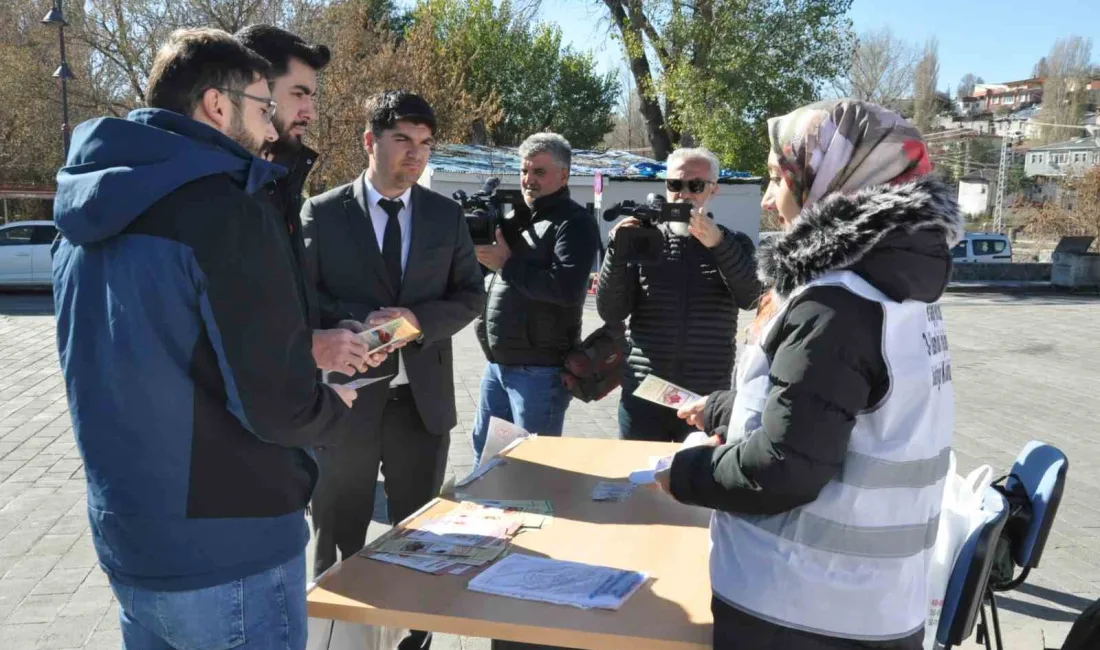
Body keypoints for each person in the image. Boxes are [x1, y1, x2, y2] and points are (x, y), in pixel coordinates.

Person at [52, 28, 377, 650]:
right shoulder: (225, 209)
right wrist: (330, 408)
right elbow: (274, 399)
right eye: (263, 108)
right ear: (216, 106)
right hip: (233, 547)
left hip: (130, 538)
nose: (270, 130)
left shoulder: (81, 214)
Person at [661, 99, 961, 649]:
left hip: (798, 607)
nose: (772, 200)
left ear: (835, 180)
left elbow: (783, 468)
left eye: (779, 178)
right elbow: (838, 414)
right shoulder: (901, 292)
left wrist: (683, 473)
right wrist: (726, 409)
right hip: (875, 605)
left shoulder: (836, 303)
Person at [301, 91, 483, 626]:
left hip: (421, 405)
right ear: (369, 141)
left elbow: (470, 295)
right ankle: (335, 633)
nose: (415, 154)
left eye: (425, 144)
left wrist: (417, 321)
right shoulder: (324, 211)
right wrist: (355, 321)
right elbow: (304, 297)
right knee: (338, 533)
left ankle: (413, 635)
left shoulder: (444, 216)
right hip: (347, 398)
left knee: (421, 539)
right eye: (402, 140)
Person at [235, 24, 371, 378]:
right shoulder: (221, 192)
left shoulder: (279, 183)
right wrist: (310, 347)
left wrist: (335, 328)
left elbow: (279, 299)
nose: (310, 111)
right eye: (299, 94)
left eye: (312, 97)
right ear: (255, 88)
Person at [597, 147, 759, 442]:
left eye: (695, 186)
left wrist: (719, 245)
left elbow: (750, 297)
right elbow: (611, 312)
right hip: (645, 393)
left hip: (704, 397)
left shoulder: (735, 242)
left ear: (713, 190)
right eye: (675, 184)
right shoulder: (644, 240)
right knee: (637, 482)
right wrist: (616, 252)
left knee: (695, 485)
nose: (684, 194)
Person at [470, 132, 602, 460]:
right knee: (485, 456)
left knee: (531, 466)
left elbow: (566, 289)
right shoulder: (517, 217)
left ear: (564, 175)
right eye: (524, 171)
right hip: (497, 364)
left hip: (539, 371)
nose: (528, 180)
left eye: (539, 172)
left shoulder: (575, 223)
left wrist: (506, 263)